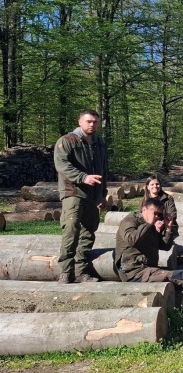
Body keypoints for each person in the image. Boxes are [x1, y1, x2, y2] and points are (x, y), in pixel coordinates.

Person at [55, 109, 108, 284]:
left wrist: (102, 195)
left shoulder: (99, 144)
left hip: (93, 195)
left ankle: (81, 271)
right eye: (88, 121)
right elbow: (62, 166)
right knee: (71, 230)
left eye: (95, 122)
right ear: (80, 122)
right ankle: (66, 272)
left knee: (88, 233)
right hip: (73, 192)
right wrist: (83, 177)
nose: (92, 125)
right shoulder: (67, 141)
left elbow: (103, 171)